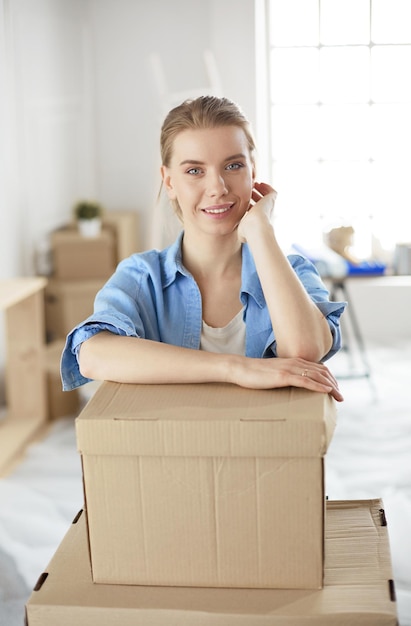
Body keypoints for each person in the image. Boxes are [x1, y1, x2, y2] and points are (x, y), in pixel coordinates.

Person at [61, 95, 346, 401]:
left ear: (253, 171)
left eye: (234, 165)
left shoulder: (293, 271)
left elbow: (304, 353)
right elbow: (92, 355)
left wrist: (262, 232)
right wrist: (236, 369)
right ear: (169, 182)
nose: (217, 188)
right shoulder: (144, 276)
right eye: (195, 171)